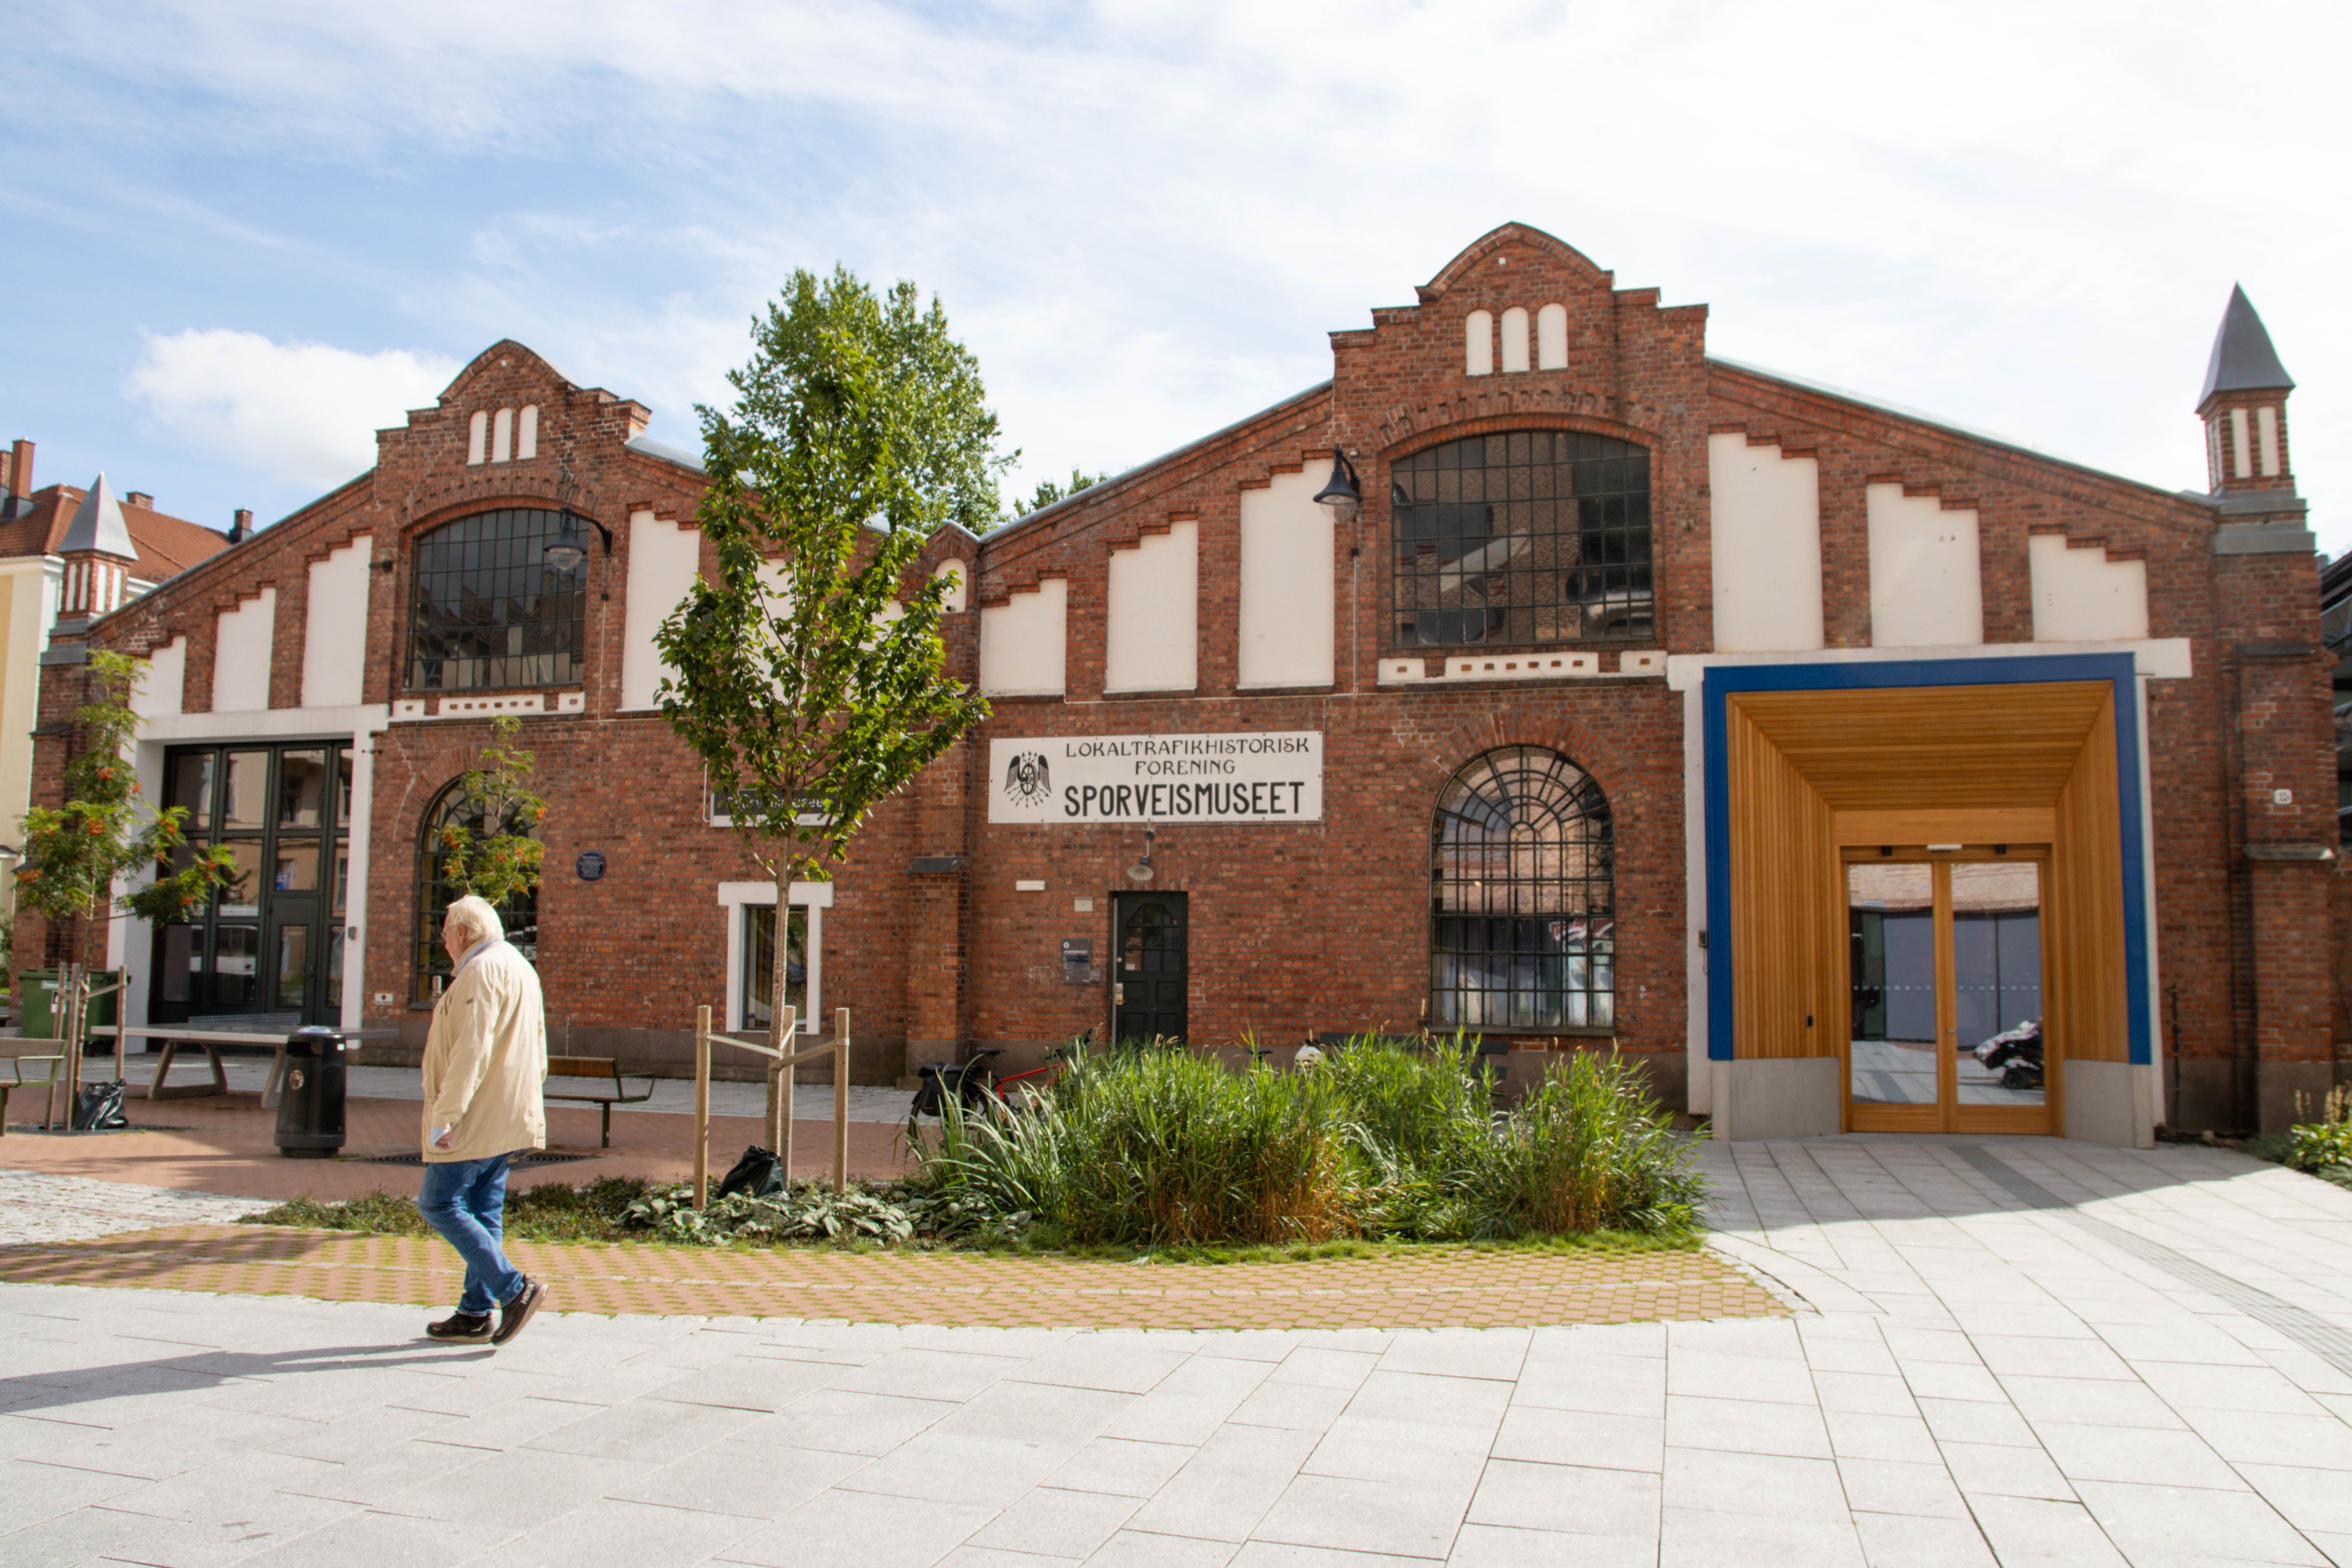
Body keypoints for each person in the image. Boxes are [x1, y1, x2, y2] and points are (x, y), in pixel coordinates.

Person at [418, 894, 549, 1345]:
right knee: (484, 1210)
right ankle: (475, 1313)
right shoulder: (519, 967)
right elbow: (538, 1046)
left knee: (438, 1203)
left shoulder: (480, 971)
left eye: (445, 932)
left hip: (475, 1115)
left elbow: (471, 1050)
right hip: (507, 1111)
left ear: (461, 933)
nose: (443, 941)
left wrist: (446, 1115)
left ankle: (514, 1290)